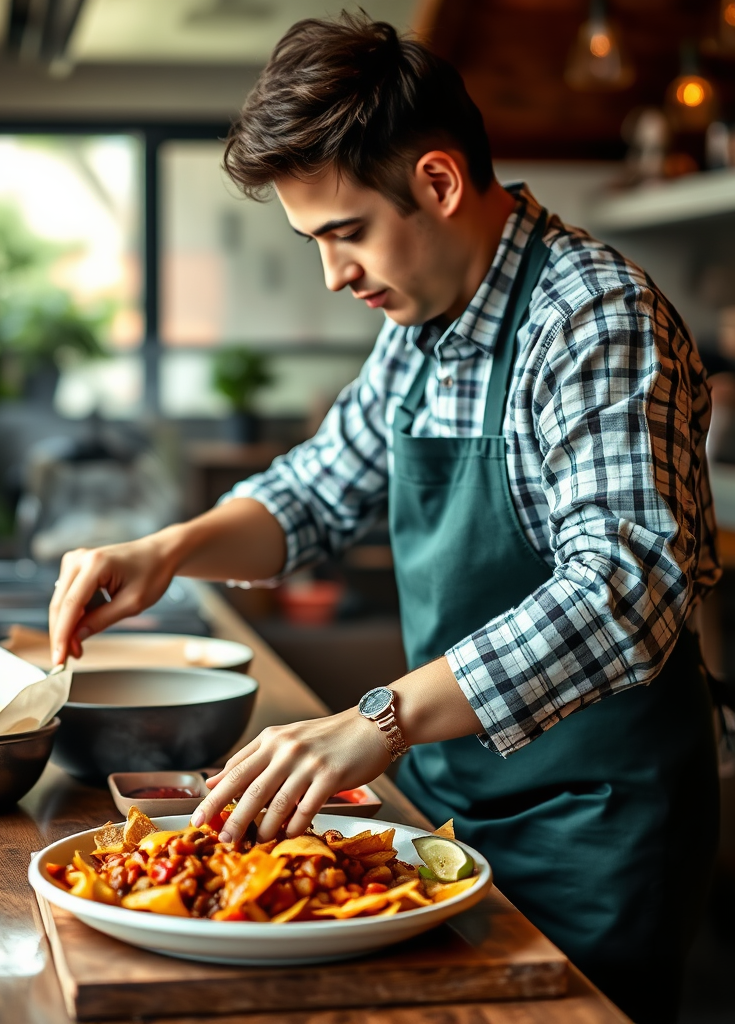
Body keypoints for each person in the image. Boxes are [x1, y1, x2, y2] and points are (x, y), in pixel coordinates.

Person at [48, 13, 720, 1023]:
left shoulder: (593, 318)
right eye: (314, 241)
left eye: (346, 232)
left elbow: (624, 589)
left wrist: (379, 720)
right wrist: (168, 551)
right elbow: (314, 491)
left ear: (438, 183)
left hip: (594, 830)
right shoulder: (420, 326)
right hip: (448, 808)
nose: (333, 274)